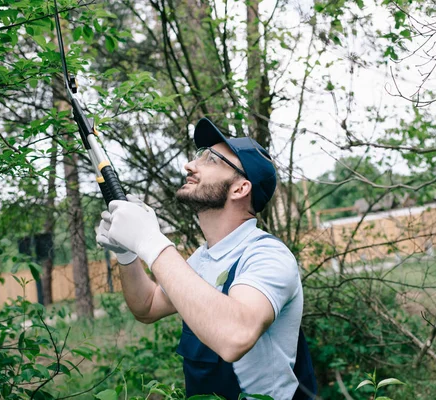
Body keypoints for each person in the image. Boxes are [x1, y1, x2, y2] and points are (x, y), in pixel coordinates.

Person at [96, 117, 316, 399]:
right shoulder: (203, 259)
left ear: (240, 189)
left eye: (211, 160)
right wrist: (127, 254)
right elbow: (147, 306)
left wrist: (151, 242)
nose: (190, 165)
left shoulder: (267, 255)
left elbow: (235, 335)